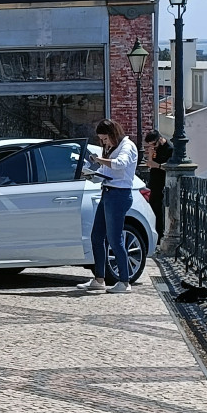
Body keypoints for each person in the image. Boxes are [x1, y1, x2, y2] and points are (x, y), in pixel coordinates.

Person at [76, 119, 142, 294]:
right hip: (108, 193)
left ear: (113, 134)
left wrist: (100, 160)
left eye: (105, 139)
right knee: (97, 236)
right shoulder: (112, 148)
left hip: (119, 195)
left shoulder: (127, 146)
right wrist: (92, 174)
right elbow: (107, 173)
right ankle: (99, 279)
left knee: (115, 239)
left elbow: (120, 164)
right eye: (101, 139)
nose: (103, 143)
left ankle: (125, 281)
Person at [143, 129, 174, 239]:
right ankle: (154, 234)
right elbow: (151, 164)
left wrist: (158, 165)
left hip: (162, 182)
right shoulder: (155, 148)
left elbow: (169, 167)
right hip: (154, 181)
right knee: (152, 208)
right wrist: (150, 154)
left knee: (159, 209)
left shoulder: (169, 149)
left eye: (154, 144)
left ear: (160, 139)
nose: (153, 146)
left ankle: (160, 235)